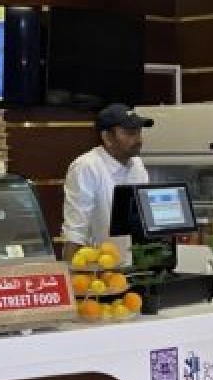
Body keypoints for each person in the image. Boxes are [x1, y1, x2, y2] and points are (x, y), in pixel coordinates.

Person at [61, 103, 154, 261]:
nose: (138, 139)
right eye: (130, 133)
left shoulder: (137, 164)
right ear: (107, 137)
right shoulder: (86, 167)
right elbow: (76, 231)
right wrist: (69, 274)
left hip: (134, 265)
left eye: (139, 132)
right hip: (99, 268)